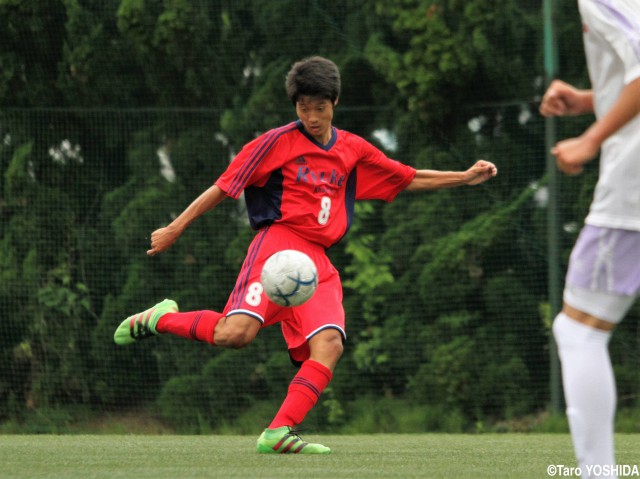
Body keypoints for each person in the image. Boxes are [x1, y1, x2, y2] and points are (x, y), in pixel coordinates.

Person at [113, 56, 497, 454]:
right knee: (235, 334)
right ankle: (161, 318)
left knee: (330, 344)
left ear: (335, 103)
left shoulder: (352, 149)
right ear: (294, 105)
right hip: (277, 245)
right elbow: (224, 186)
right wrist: (176, 227)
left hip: (317, 262)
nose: (312, 116)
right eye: (303, 107)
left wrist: (464, 176)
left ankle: (278, 431)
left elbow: (406, 176)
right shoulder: (275, 143)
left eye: (320, 107)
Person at [539, 1, 640, 477]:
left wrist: (591, 137)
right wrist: (588, 99)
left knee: (579, 329)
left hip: (633, 188)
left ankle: (597, 473)